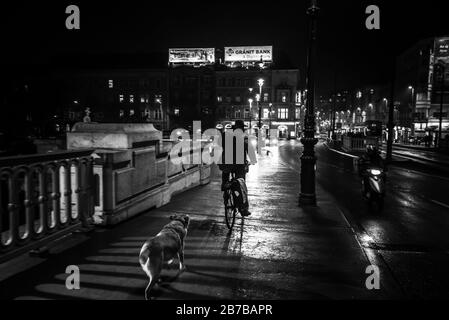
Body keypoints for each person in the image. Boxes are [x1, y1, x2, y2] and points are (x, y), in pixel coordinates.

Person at [218, 120, 252, 216]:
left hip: (226, 162)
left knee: (225, 171)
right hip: (239, 164)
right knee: (241, 185)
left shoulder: (226, 134)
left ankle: (225, 185)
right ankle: (243, 208)